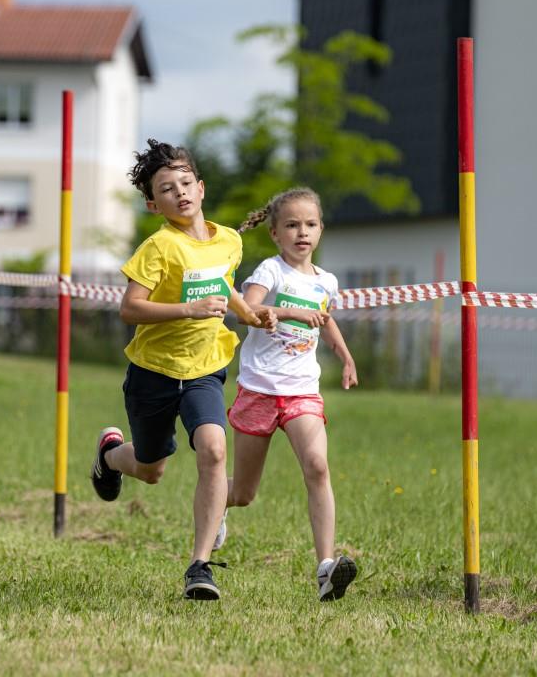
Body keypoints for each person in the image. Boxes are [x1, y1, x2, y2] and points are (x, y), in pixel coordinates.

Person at [90, 139, 275, 601]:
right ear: (154, 204)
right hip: (153, 372)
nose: (180, 193)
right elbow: (130, 309)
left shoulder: (228, 240)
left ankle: (199, 566)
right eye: (167, 189)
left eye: (186, 183)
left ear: (201, 187)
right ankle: (109, 455)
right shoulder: (159, 247)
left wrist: (252, 315)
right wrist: (188, 310)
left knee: (213, 449)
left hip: (205, 368)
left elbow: (226, 287)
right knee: (151, 469)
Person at [218, 187, 360, 601]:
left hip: (302, 391)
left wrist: (345, 356)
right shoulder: (270, 271)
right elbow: (246, 311)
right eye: (293, 225)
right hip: (259, 389)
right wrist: (289, 312)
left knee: (317, 467)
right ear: (275, 233)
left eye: (310, 224)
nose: (302, 232)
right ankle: (216, 502)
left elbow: (325, 320)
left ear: (321, 230)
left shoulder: (326, 281)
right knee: (244, 493)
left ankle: (326, 568)